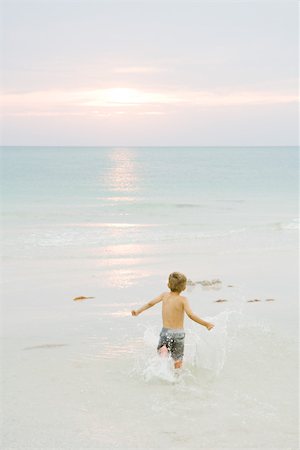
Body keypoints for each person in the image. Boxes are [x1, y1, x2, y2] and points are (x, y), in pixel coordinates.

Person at [131, 272, 215, 369]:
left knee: (163, 348)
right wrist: (206, 324)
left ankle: (163, 355)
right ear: (184, 288)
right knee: (178, 359)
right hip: (179, 334)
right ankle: (177, 376)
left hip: (166, 332)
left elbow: (150, 303)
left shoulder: (164, 295)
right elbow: (191, 315)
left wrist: (138, 311)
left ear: (168, 285)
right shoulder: (183, 300)